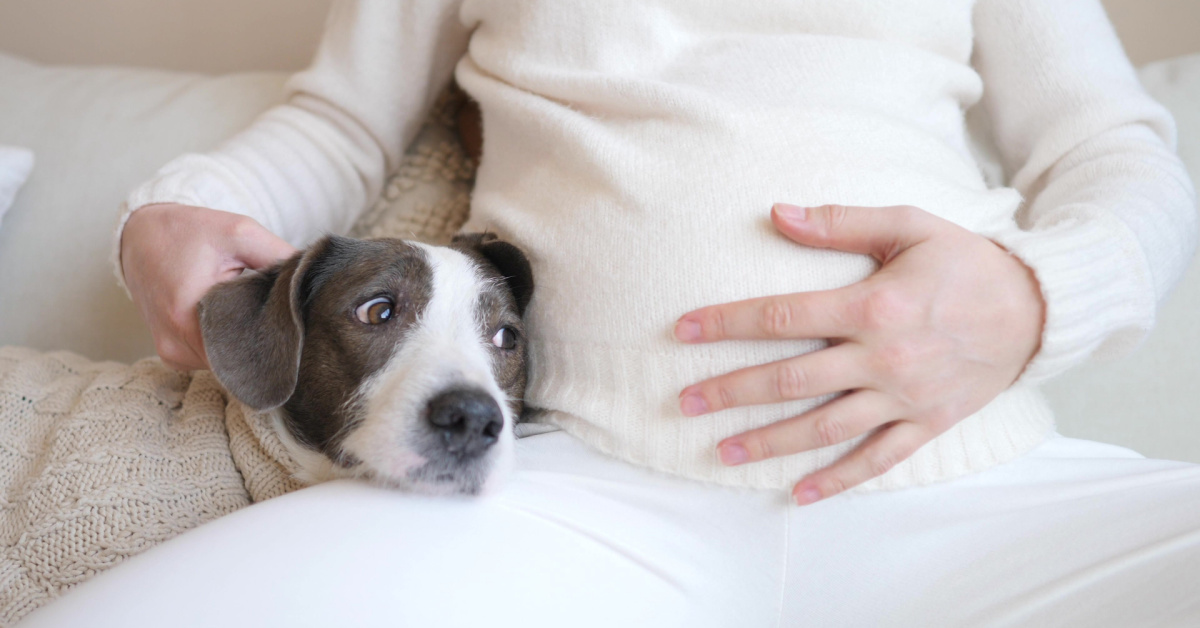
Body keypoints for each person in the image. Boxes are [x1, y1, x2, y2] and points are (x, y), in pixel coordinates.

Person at [98, 0, 1198, 624]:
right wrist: (178, 214)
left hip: (976, 487)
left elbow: (1115, 151)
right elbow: (338, 123)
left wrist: (1036, 293)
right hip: (563, 494)